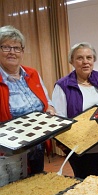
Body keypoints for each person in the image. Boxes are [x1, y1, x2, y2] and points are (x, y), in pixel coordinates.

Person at [52, 42, 98, 179]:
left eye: (89, 58)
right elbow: (59, 119)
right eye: (80, 58)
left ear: (93, 60)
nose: (85, 62)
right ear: (71, 61)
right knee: (84, 187)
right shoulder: (63, 86)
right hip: (80, 151)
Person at [0, 25, 56, 175]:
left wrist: (50, 110)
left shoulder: (32, 73)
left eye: (17, 48)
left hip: (37, 146)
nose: (12, 52)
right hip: (9, 154)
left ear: (22, 52)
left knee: (35, 186)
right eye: (6, 47)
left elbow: (46, 102)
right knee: (14, 194)